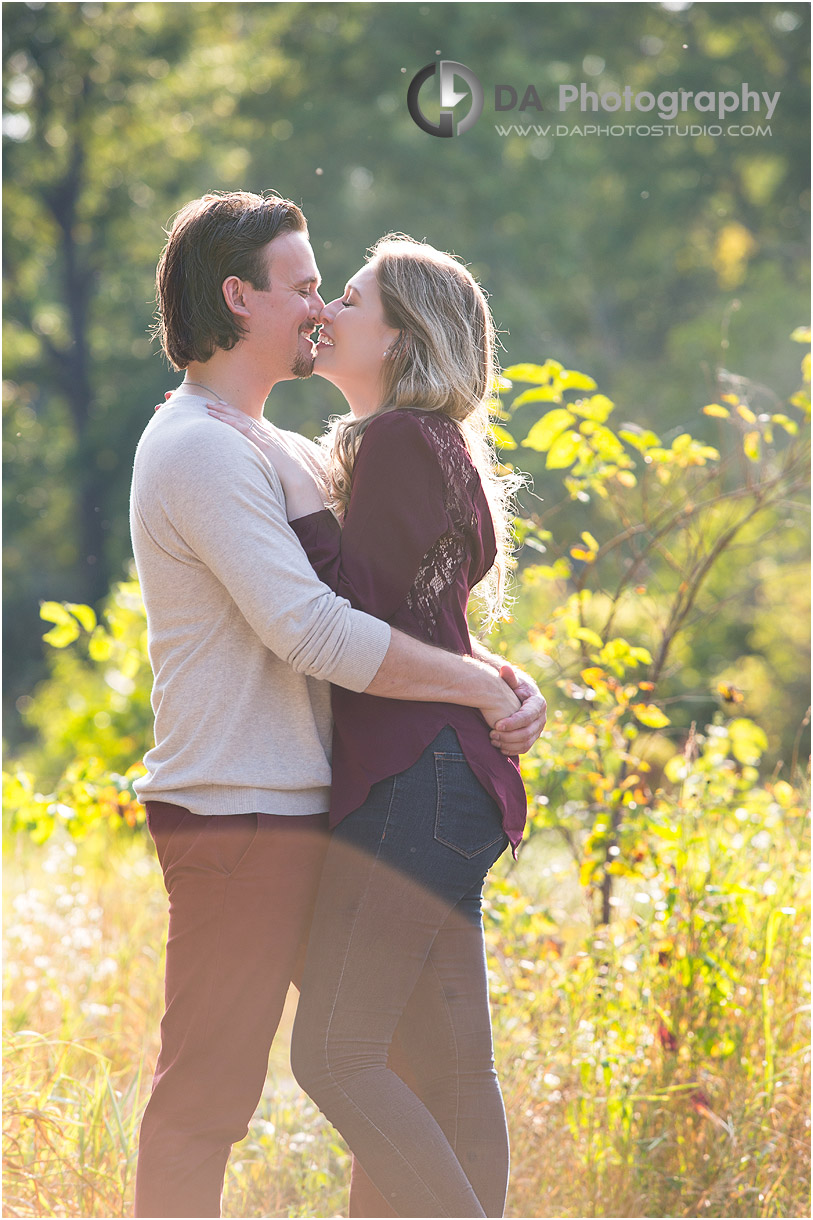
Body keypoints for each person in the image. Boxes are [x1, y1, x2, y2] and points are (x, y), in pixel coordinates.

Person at [130, 191, 546, 1219]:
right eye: (307, 287)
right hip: (240, 812)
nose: (320, 307)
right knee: (214, 1097)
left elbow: (402, 606)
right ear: (239, 296)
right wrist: (474, 681)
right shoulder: (199, 447)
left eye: (334, 291)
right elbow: (316, 630)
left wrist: (489, 668)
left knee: (400, 1060)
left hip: (336, 797)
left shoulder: (292, 448)